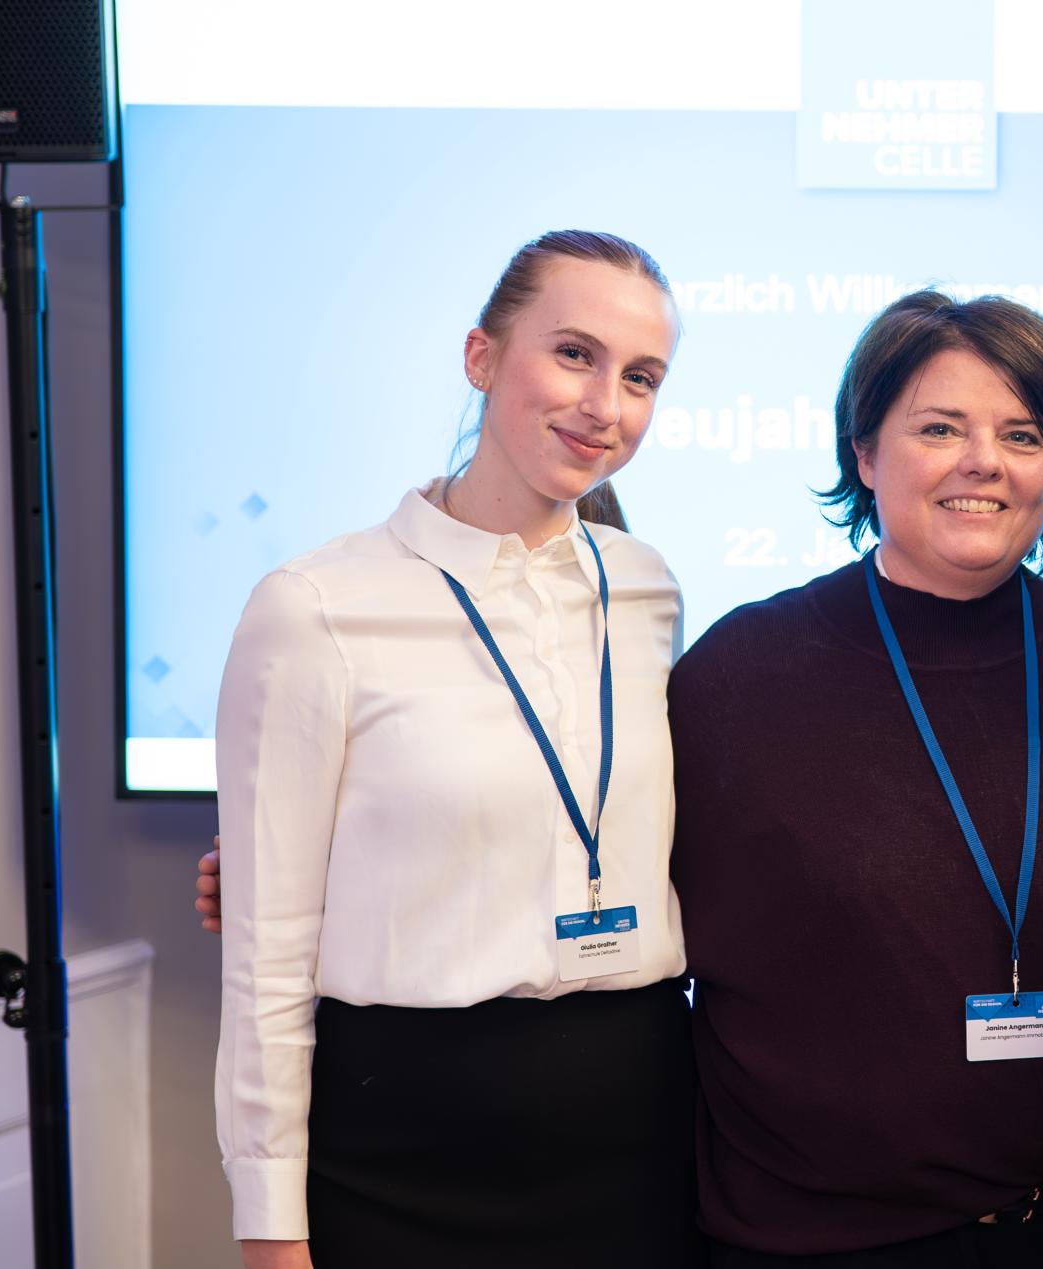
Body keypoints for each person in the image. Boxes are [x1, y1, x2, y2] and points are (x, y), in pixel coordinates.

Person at [211, 229, 701, 1268]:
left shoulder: (648, 587)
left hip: (636, 1144)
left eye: (641, 377)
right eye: (574, 354)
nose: (605, 405)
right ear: (482, 357)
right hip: (401, 1156)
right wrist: (270, 1227)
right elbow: (266, 962)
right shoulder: (315, 606)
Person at [669, 290, 1043, 1266]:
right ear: (863, 453)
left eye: (1022, 434)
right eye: (939, 428)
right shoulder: (739, 675)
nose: (984, 461)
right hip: (807, 1243)